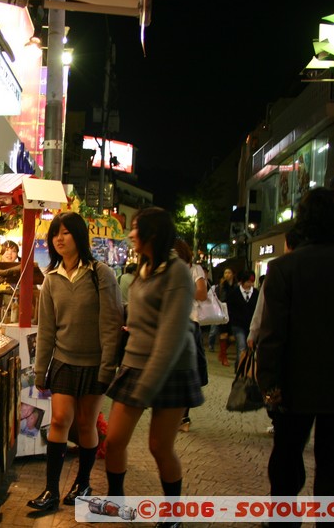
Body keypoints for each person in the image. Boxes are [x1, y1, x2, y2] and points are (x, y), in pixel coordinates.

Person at [257, 188, 334, 505]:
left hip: (294, 383)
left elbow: (273, 335)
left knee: (286, 462)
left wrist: (269, 383)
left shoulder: (284, 268)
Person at [104, 207, 203, 522]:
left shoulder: (177, 273)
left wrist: (146, 387)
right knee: (114, 440)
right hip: (135, 363)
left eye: (136, 228)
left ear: (154, 233)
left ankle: (172, 514)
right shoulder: (143, 267)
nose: (131, 233)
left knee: (159, 446)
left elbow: (171, 336)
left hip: (172, 368)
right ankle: (116, 503)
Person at [27, 211, 123, 511]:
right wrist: (40, 371)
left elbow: (112, 324)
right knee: (58, 420)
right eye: (55, 233)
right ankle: (51, 490)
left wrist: (108, 368)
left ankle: (82, 482)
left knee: (85, 424)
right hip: (64, 362)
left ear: (79, 236)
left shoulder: (100, 274)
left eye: (66, 232)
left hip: (94, 363)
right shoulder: (52, 279)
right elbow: (46, 330)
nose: (59, 238)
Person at [247, 229, 302, 436]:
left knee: (278, 383)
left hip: (281, 343)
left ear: (288, 244)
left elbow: (262, 307)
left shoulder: (279, 268)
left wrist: (253, 333)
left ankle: (279, 419)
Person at [174, 239, 208, 433]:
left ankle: (184, 416)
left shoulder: (195, 270)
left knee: (187, 370)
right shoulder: (167, 270)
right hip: (172, 323)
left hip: (188, 323)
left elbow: (202, 293)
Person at [225, 269, 258, 373]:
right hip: (238, 325)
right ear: (242, 281)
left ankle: (247, 369)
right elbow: (229, 311)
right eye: (248, 281)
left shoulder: (256, 293)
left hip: (251, 326)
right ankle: (240, 370)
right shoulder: (234, 293)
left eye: (252, 282)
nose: (250, 284)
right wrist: (228, 330)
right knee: (241, 347)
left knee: (250, 349)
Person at [211, 267, 236, 365]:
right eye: (225, 273)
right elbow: (220, 299)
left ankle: (222, 353)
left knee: (232, 337)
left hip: (233, 314)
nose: (227, 275)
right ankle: (224, 357)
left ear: (233, 274)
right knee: (224, 334)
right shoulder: (221, 287)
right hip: (223, 313)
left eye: (229, 272)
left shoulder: (236, 286)